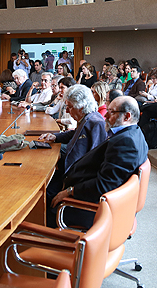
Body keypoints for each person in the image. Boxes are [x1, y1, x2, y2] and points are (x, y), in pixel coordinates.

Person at [48, 95, 149, 228]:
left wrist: (70, 191)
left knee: (42, 203)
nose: (105, 115)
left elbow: (105, 185)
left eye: (111, 112)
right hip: (87, 193)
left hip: (89, 208)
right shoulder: (133, 132)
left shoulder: (126, 142)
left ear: (127, 116)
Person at [40, 85, 108, 223]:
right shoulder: (87, 118)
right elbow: (75, 133)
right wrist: (56, 137)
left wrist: (69, 190)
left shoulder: (96, 123)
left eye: (70, 107)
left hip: (76, 181)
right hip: (70, 174)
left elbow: (93, 163)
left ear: (81, 107)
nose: (67, 111)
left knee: (43, 193)